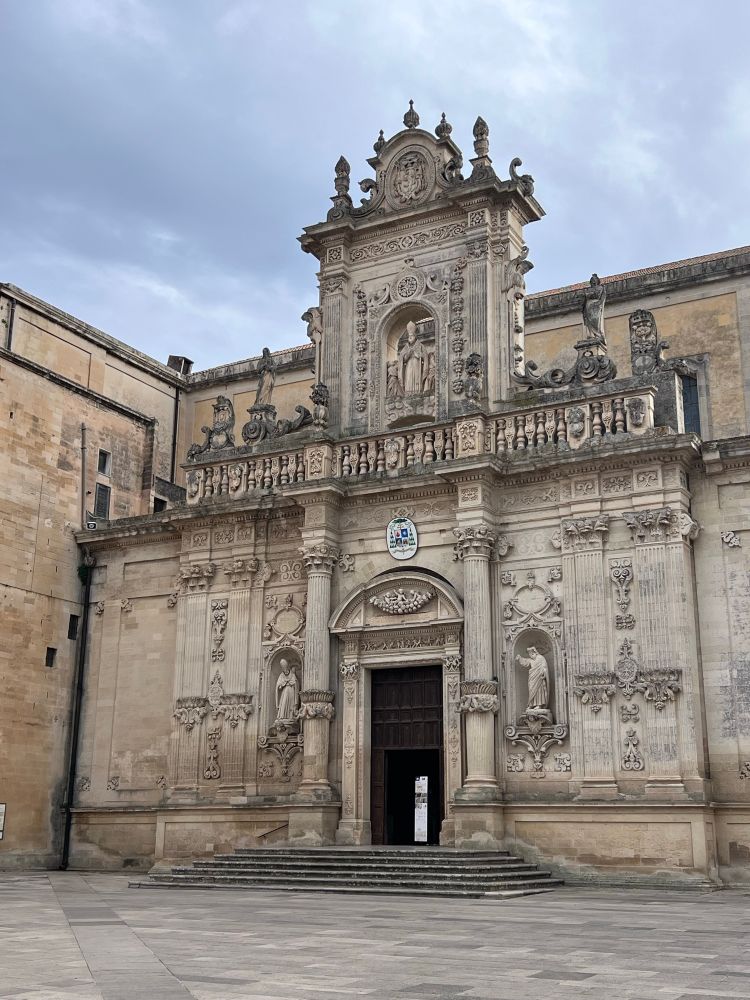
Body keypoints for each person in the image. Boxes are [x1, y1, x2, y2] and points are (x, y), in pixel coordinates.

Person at [516, 646, 549, 712]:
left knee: (539, 691)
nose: (531, 656)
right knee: (531, 690)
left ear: (535, 653)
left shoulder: (541, 658)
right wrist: (519, 658)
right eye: (530, 655)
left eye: (532, 654)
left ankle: (539, 705)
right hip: (532, 678)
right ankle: (531, 704)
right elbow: (525, 662)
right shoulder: (530, 660)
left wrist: (543, 673)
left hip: (539, 678)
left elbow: (544, 666)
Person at [582, 274, 607, 346]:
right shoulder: (589, 289)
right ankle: (591, 335)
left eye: (594, 280)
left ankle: (598, 335)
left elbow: (598, 295)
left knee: (595, 319)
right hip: (588, 305)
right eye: (592, 280)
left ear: (597, 281)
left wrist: (588, 294)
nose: (593, 281)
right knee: (589, 320)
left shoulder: (600, 288)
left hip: (596, 305)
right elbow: (585, 297)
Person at [399, 321, 424, 393]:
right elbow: (402, 359)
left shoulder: (420, 346)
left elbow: (424, 357)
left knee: (416, 377)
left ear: (415, 337)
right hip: (409, 365)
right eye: (409, 336)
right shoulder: (406, 347)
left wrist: (418, 355)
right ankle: (408, 392)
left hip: (417, 364)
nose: (410, 338)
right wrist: (408, 354)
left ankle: (418, 392)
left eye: (412, 336)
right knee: (409, 378)